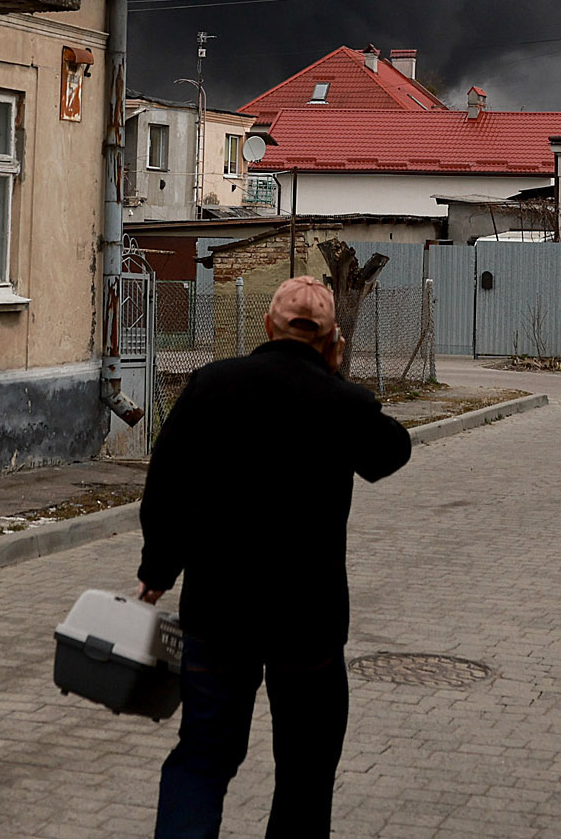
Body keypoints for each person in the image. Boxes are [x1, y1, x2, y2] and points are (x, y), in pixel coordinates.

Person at [135, 275, 415, 838]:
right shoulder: (344, 402)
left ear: (267, 326)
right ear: (333, 339)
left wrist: (157, 572)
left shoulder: (211, 385)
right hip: (308, 627)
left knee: (204, 759)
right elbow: (391, 451)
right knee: (306, 777)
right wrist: (337, 380)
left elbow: (167, 485)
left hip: (219, 617)